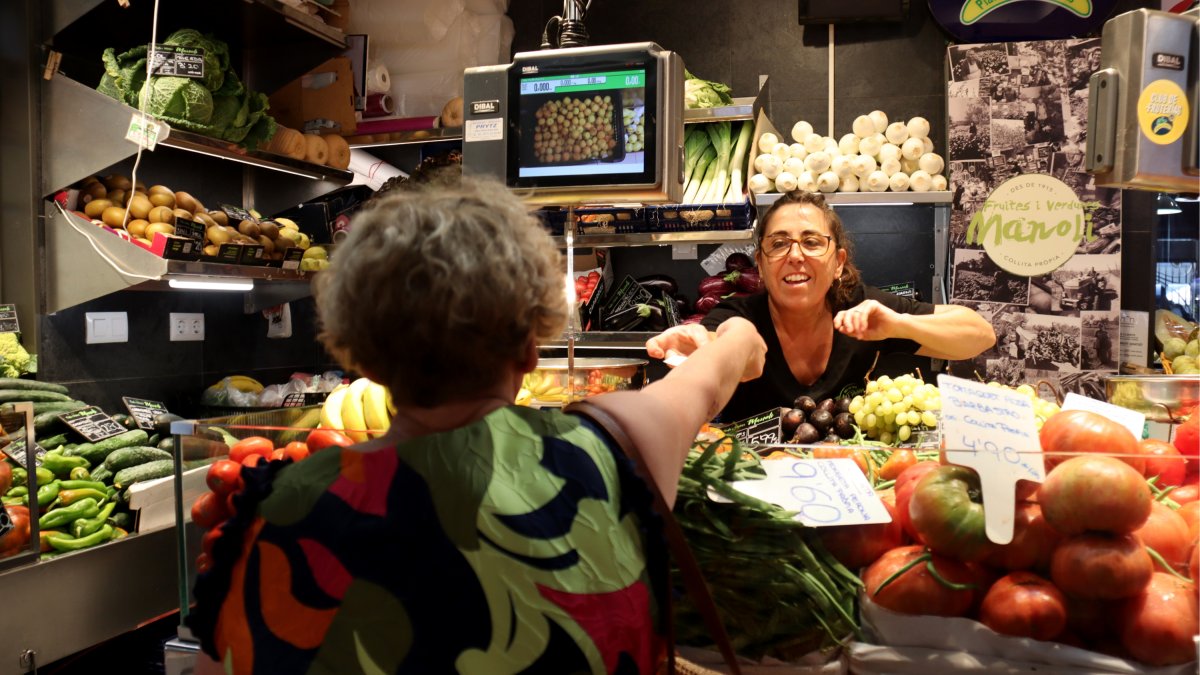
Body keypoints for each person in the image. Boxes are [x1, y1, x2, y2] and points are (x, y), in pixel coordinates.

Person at [188, 181, 767, 674]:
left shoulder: (275, 513)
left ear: (361, 356)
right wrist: (730, 335)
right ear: (527, 346)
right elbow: (724, 363)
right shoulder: (611, 448)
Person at [646, 191, 996, 423]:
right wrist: (704, 350)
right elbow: (721, 342)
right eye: (779, 244)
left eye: (812, 242)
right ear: (762, 263)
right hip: (753, 490)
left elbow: (980, 335)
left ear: (838, 262)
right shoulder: (739, 315)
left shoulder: (860, 306)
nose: (795, 255)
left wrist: (899, 325)